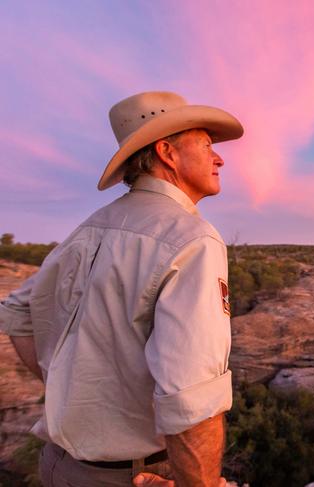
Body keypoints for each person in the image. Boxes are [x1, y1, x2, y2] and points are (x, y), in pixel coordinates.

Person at [0, 91, 243, 486]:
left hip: (59, 468)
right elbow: (192, 400)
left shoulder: (86, 230)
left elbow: (15, 313)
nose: (219, 158)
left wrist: (69, 386)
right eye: (206, 145)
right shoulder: (191, 238)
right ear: (167, 152)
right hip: (136, 474)